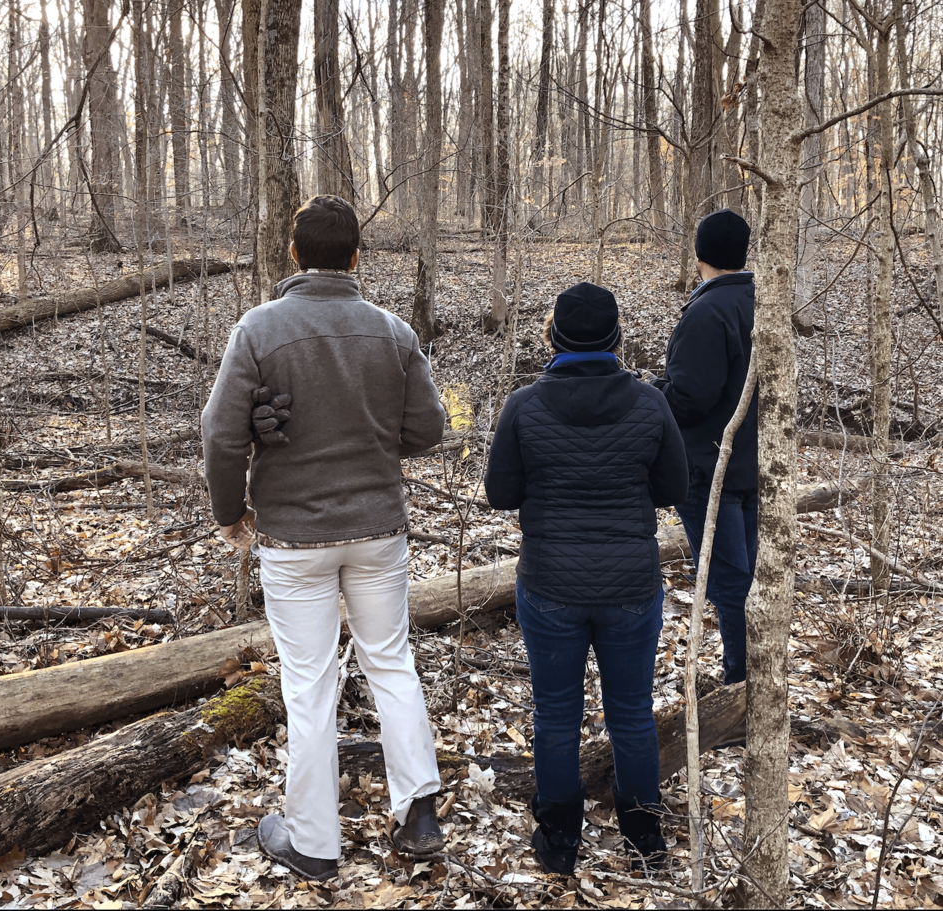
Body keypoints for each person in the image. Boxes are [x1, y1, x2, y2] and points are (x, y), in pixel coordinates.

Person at [201, 195, 448, 881]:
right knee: (390, 661)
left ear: (292, 254)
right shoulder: (393, 333)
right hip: (377, 530)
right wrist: (369, 429)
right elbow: (428, 430)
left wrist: (231, 510)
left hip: (294, 538)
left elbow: (219, 434)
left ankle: (313, 841)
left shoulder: (258, 330)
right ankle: (419, 810)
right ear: (356, 257)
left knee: (308, 685)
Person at [484, 283, 688, 875]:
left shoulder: (524, 405)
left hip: (550, 584)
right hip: (629, 583)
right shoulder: (650, 403)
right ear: (617, 338)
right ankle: (644, 838)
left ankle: (557, 842)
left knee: (554, 715)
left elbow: (501, 493)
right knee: (631, 712)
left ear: (552, 337)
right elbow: (674, 489)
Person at [651, 208, 757, 687]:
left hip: (710, 467)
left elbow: (690, 397)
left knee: (729, 581)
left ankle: (740, 683)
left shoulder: (708, 310)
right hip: (751, 462)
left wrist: (652, 396)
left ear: (699, 256)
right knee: (745, 577)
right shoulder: (758, 300)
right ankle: (751, 676)